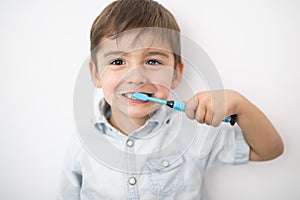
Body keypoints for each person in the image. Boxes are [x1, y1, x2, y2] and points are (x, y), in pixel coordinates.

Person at [59, 0, 284, 199]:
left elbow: (269, 150)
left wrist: (240, 104)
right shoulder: (82, 145)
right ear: (96, 74)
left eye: (153, 61)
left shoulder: (193, 133)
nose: (136, 77)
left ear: (176, 74)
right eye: (118, 62)